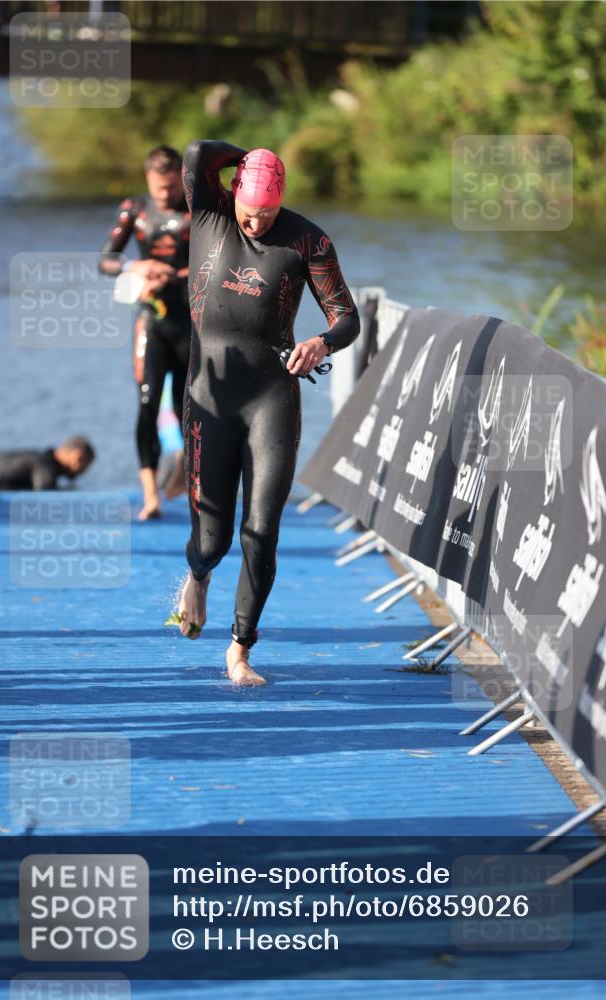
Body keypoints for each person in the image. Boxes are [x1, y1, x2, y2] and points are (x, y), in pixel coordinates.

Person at [177, 140, 360, 686]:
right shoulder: (209, 211)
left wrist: (322, 344)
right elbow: (196, 153)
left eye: (267, 216)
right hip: (208, 393)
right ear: (234, 193)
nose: (255, 226)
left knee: (262, 531)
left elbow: (346, 316)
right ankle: (199, 574)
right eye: (249, 214)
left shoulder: (308, 239)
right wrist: (252, 156)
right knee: (213, 542)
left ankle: (239, 649)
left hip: (271, 397)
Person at [99, 145, 191, 521]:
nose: (165, 196)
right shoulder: (134, 209)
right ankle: (151, 494)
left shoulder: (198, 211)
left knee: (192, 407)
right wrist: (139, 266)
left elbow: (217, 260)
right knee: (147, 402)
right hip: (152, 321)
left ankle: (190, 480)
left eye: (170, 187)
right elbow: (105, 260)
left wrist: (173, 274)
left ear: (181, 177)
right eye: (158, 189)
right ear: (147, 181)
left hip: (192, 320)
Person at [0, 436, 95, 490]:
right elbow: (44, 494)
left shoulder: (39, 459)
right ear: (64, 452)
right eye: (79, 460)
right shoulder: (46, 465)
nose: (81, 469)